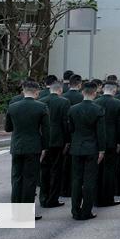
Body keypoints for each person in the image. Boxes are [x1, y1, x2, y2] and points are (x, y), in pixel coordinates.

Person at [6, 80, 49, 220]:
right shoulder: (42, 107)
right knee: (30, 180)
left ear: (23, 91)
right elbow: (46, 131)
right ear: (37, 92)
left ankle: (15, 212)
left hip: (17, 146)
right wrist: (45, 147)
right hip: (34, 146)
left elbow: (8, 128)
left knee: (16, 178)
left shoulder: (12, 107)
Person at [67, 81, 107, 221]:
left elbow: (70, 129)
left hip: (77, 147)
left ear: (82, 92)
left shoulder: (72, 109)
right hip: (92, 148)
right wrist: (102, 149)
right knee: (89, 180)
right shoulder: (98, 109)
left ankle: (75, 210)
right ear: (95, 93)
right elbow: (101, 133)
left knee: (76, 180)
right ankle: (86, 211)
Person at [38, 76, 69, 209]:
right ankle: (53, 199)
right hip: (58, 139)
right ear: (60, 90)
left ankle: (43, 197)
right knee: (56, 170)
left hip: (44, 140)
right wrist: (68, 140)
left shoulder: (41, 101)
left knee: (44, 170)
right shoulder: (64, 102)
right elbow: (65, 123)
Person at [94, 80, 120, 208]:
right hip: (112, 141)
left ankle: (97, 197)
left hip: (97, 141)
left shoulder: (95, 102)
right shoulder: (118, 103)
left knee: (98, 171)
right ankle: (108, 197)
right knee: (109, 170)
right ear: (114, 90)